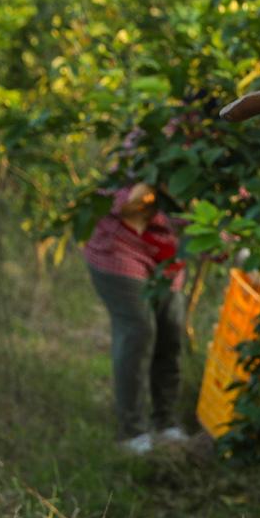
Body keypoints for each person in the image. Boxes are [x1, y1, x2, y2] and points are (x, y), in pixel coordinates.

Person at [82, 180, 191, 454]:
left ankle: (165, 422)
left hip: (167, 257)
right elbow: (119, 200)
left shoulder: (217, 151)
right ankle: (132, 431)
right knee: (139, 330)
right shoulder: (144, 144)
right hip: (120, 248)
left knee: (171, 332)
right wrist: (150, 191)